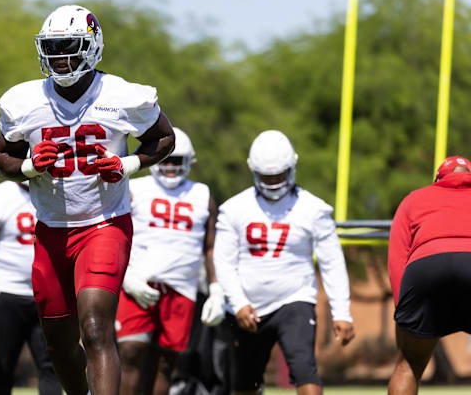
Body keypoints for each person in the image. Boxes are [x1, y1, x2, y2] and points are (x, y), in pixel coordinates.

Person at [0, 4, 175, 395]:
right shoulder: (24, 101)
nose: (59, 56)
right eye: (52, 46)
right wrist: (27, 167)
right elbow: (0, 158)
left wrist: (128, 163)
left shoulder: (122, 95)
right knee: (57, 344)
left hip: (104, 224)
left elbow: (164, 138)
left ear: (91, 46)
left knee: (95, 329)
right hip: (50, 230)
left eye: (69, 45)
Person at [213, 130, 355, 395]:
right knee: (246, 385)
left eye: (279, 175)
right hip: (247, 307)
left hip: (295, 300)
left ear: (291, 169)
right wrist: (238, 301)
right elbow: (223, 260)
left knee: (305, 372)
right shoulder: (234, 209)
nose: (274, 183)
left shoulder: (314, 209)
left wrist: (342, 312)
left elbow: (332, 262)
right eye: (268, 177)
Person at [116, 128, 222, 395]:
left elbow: (210, 249)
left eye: (177, 160)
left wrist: (215, 288)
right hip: (138, 282)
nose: (171, 167)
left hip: (181, 288)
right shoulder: (134, 188)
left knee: (165, 363)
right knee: (130, 351)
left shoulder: (202, 195)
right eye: (166, 160)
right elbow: (115, 235)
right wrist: (125, 274)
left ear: (189, 161)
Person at [386, 155, 471, 395]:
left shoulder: (415, 199)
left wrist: (403, 310)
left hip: (426, 265)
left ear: (437, 179)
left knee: (408, 366)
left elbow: (397, 258)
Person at [0, 180, 62, 395]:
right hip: (6, 293)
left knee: (53, 367)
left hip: (47, 296)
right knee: (2, 367)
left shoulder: (58, 192)